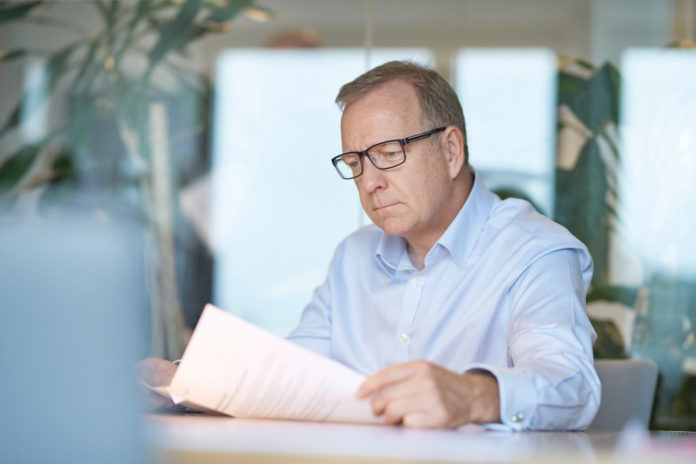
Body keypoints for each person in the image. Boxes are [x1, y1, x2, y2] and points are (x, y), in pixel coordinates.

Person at [141, 61, 600, 431]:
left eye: (388, 153)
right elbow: (289, 373)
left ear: (451, 150)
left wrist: (473, 395)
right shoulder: (354, 257)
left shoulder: (535, 253)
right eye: (356, 162)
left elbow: (572, 384)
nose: (370, 182)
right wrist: (184, 378)